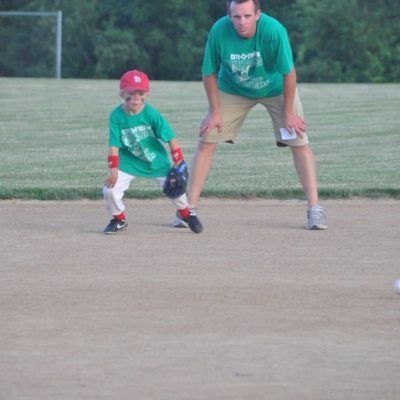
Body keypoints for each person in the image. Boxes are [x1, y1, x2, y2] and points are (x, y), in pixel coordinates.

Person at [187, 0, 327, 230]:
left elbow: (288, 73)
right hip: (233, 89)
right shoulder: (219, 31)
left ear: (258, 14)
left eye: (247, 16)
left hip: (274, 89)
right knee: (207, 137)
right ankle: (188, 209)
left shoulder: (274, 31)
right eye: (236, 17)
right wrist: (214, 112)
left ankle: (315, 210)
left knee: (299, 140)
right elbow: (208, 72)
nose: (242, 22)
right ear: (229, 16)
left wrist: (289, 112)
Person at [102, 69, 203, 234]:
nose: (136, 97)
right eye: (131, 92)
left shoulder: (151, 114)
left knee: (175, 188)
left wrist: (178, 160)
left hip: (156, 160)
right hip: (129, 161)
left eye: (140, 93)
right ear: (122, 93)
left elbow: (169, 137)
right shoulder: (116, 116)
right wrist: (113, 171)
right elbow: (113, 145)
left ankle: (185, 214)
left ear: (146, 95)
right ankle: (118, 219)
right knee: (109, 190)